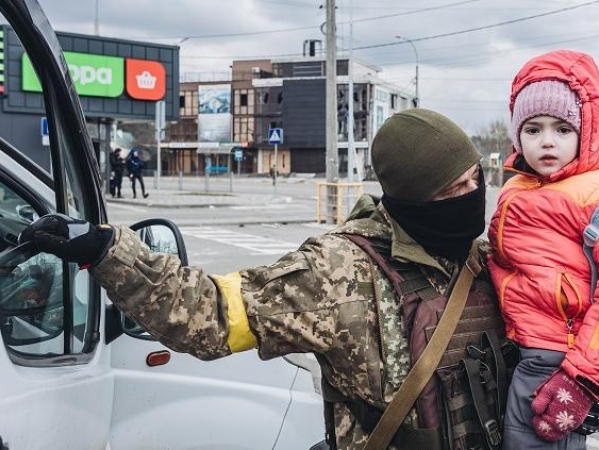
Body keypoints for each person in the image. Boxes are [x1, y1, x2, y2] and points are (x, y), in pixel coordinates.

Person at [20, 109, 504, 449]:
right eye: (451, 190)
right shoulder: (337, 273)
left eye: (474, 179)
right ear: (411, 198)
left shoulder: (483, 258)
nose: (471, 196)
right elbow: (210, 313)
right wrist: (109, 251)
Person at [487, 50, 599, 449]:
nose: (547, 141)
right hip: (511, 346)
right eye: (533, 129)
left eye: (562, 128)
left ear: (587, 130)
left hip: (556, 360)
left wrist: (583, 380)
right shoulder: (515, 189)